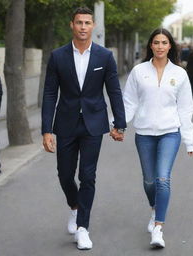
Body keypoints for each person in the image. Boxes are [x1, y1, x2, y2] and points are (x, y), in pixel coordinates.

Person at [41, 7, 126, 250]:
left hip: (93, 124)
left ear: (93, 26)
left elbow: (114, 91)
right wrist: (46, 130)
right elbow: (49, 93)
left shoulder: (104, 56)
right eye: (79, 22)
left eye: (87, 22)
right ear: (72, 25)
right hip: (66, 123)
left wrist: (119, 123)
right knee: (65, 174)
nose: (83, 27)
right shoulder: (58, 56)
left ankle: (82, 228)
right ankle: (75, 206)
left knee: (87, 176)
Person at [117, 28, 193, 248]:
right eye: (156, 42)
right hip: (144, 134)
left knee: (162, 178)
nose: (160, 46)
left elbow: (185, 109)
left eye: (164, 42)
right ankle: (154, 208)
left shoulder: (179, 74)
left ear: (170, 46)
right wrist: (119, 126)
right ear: (150, 46)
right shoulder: (138, 71)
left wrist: (190, 139)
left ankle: (158, 229)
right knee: (149, 181)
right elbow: (129, 103)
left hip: (170, 132)